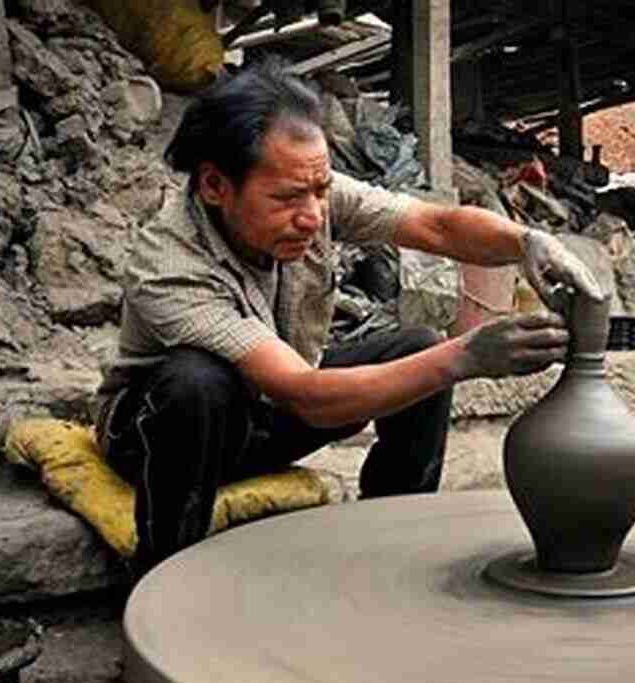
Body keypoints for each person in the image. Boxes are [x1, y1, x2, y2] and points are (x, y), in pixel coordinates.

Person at [93, 61, 607, 572]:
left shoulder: (308, 191)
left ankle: (391, 536)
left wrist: (526, 242)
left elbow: (438, 226)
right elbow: (304, 395)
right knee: (197, 382)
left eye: (319, 191)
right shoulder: (167, 264)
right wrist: (468, 356)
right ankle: (161, 580)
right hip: (160, 437)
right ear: (214, 186)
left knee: (418, 346)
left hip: (268, 409)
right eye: (289, 198)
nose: (313, 216)